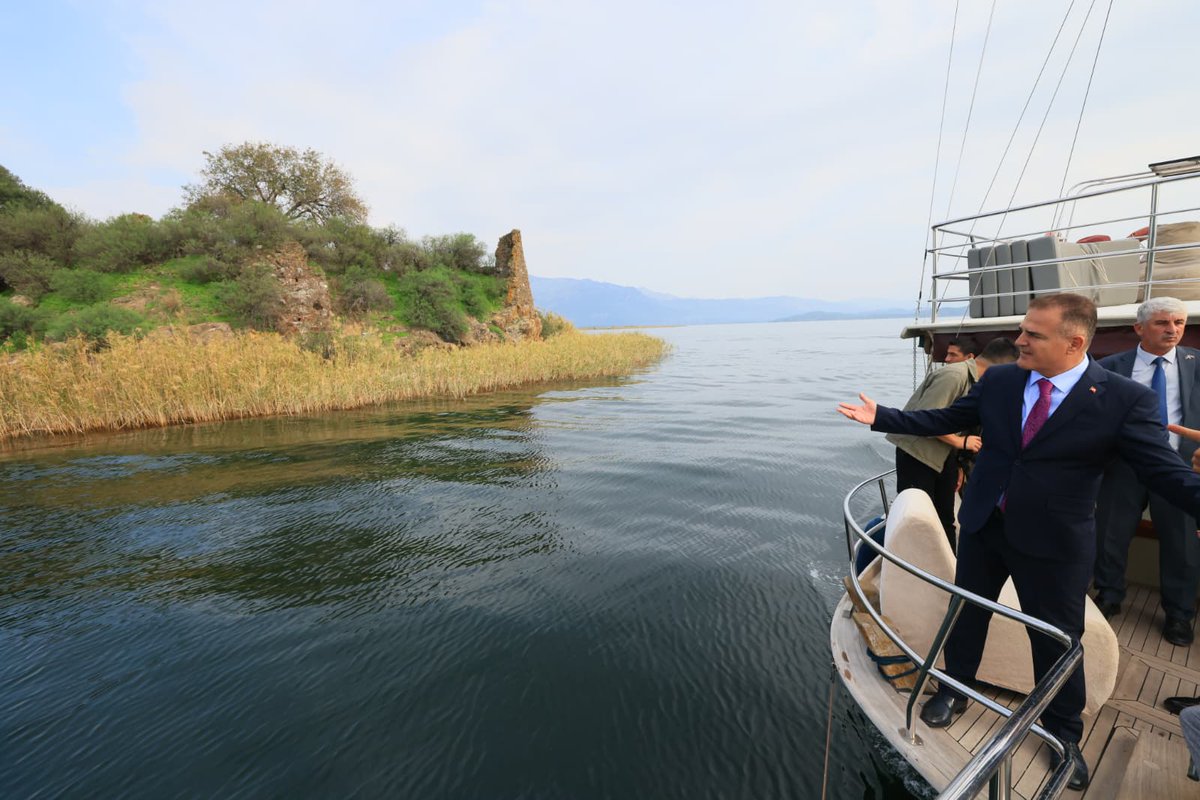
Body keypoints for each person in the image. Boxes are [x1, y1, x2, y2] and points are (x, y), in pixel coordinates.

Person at [836, 293, 1200, 791]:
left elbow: (1164, 471)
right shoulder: (1003, 380)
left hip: (1055, 542)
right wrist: (884, 416)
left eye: (1033, 333)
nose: (1020, 340)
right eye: (1024, 330)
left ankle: (1063, 736)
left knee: (1056, 640)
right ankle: (954, 690)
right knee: (967, 614)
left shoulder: (1122, 399)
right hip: (986, 525)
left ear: (1074, 342)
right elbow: (946, 420)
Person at [1093, 297, 1200, 646]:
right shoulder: (1109, 367)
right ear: (1139, 328)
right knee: (1111, 534)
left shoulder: (1197, 363)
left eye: (1179, 323)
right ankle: (1109, 596)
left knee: (1182, 544)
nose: (1173, 329)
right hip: (1124, 465)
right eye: (1163, 323)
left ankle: (1179, 615)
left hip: (1176, 466)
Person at [887, 338, 1020, 549]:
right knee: (918, 518)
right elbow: (927, 417)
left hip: (942, 454)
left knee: (945, 518)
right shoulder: (954, 375)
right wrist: (960, 441)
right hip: (918, 453)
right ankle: (915, 569)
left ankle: (948, 570)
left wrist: (956, 462)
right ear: (1004, 366)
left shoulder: (977, 382)